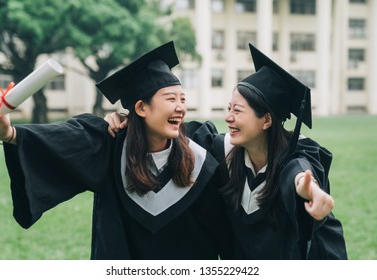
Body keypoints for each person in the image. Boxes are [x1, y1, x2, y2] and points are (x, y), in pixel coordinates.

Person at [0, 41, 232, 260]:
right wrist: (10, 134)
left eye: (183, 99)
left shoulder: (201, 145)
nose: (180, 108)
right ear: (141, 108)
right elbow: (67, 139)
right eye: (171, 99)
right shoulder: (110, 146)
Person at [105, 43, 347, 259]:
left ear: (266, 121)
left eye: (238, 111)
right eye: (229, 107)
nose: (227, 117)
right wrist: (128, 119)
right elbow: (175, 129)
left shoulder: (297, 156)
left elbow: (298, 170)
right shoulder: (222, 150)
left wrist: (308, 188)